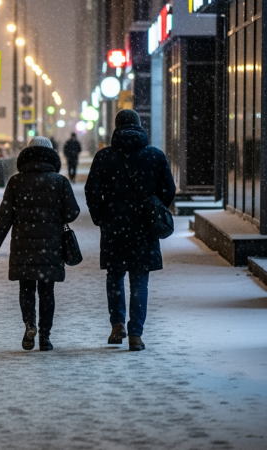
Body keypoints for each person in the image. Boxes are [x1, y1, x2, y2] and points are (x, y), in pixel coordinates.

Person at [84, 109, 175, 352]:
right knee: (139, 281)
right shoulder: (155, 155)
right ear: (138, 126)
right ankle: (136, 334)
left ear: (116, 128)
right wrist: (155, 209)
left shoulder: (104, 157)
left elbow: (91, 190)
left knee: (114, 277)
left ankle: (117, 325)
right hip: (144, 228)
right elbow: (169, 190)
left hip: (114, 227)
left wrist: (101, 216)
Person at [0, 137, 80, 351]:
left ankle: (30, 324)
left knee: (27, 288)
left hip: (23, 246)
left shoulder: (16, 182)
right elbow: (72, 212)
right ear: (51, 155)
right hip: (51, 246)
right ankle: (45, 337)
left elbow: (4, 217)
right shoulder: (60, 181)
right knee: (47, 291)